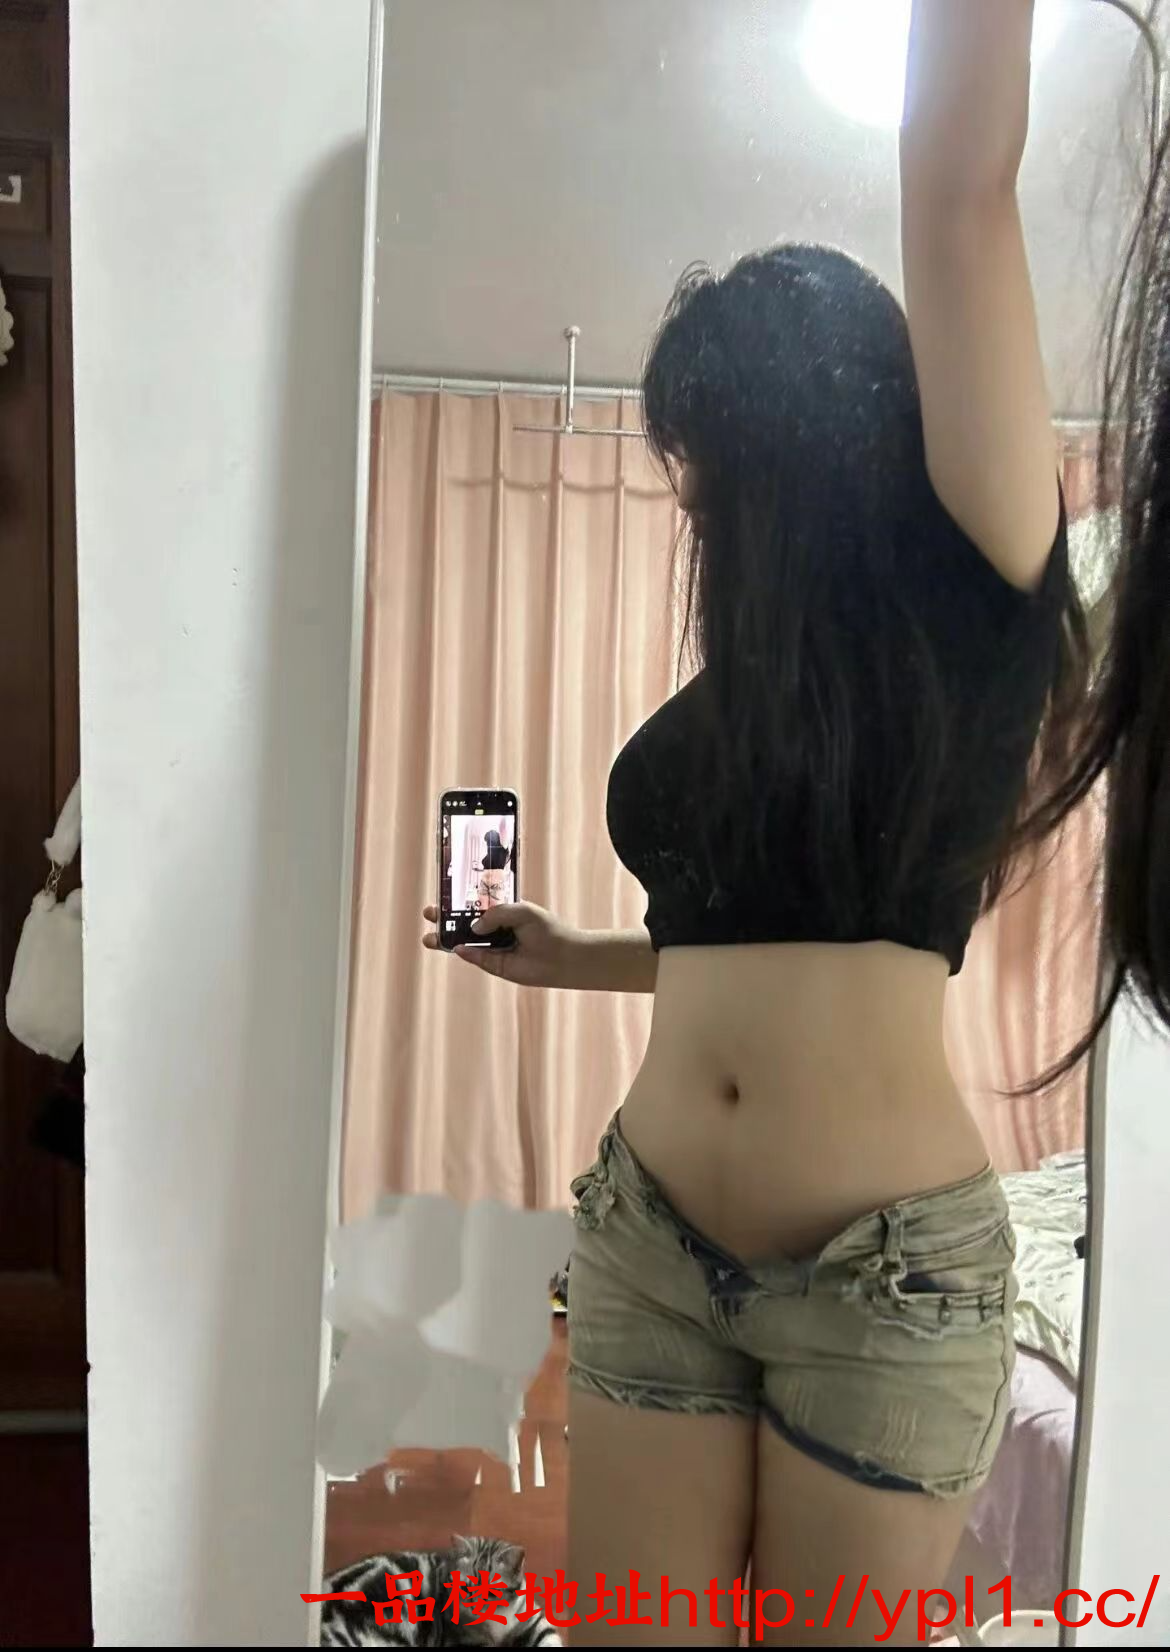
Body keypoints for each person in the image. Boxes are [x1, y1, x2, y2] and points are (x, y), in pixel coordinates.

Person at [421, 4, 1170, 1643]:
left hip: (882, 1277)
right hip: (648, 1237)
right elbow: (747, 953)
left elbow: (956, 188)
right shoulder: (753, 696)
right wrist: (563, 958)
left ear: (796, 433)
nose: (686, 493)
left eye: (701, 454)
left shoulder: (977, 582)